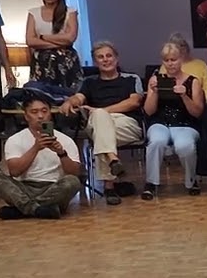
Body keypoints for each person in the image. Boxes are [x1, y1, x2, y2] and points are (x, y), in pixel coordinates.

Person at [57, 41, 144, 206]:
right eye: (100, 57)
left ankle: (109, 186)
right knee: (101, 125)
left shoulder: (131, 79)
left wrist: (102, 111)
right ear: (96, 62)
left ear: (116, 59)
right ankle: (113, 161)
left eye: (109, 56)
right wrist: (70, 101)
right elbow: (79, 98)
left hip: (126, 124)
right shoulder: (89, 82)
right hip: (98, 124)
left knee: (100, 126)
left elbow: (133, 103)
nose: (105, 60)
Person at [0, 94, 83, 220]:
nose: (40, 116)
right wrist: (36, 148)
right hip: (23, 188)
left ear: (50, 114)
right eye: (34, 112)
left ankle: (21, 210)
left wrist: (61, 153)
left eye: (44, 111)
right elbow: (14, 172)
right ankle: (38, 210)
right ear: (26, 116)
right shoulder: (15, 140)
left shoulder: (65, 140)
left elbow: (74, 174)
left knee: (72, 182)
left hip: (53, 189)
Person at [142, 41, 206, 199]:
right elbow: (148, 111)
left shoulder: (193, 81)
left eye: (174, 59)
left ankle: (191, 181)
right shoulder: (156, 80)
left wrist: (184, 95)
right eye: (167, 60)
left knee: (184, 145)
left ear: (181, 59)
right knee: (157, 141)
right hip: (160, 122)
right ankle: (151, 182)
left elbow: (198, 112)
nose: (170, 64)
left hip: (186, 123)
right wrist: (154, 91)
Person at [26, 0, 82, 89]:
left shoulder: (70, 12)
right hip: (41, 63)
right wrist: (60, 41)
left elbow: (70, 38)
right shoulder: (33, 13)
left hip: (66, 63)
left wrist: (42, 37)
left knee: (68, 97)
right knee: (41, 98)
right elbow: (30, 40)